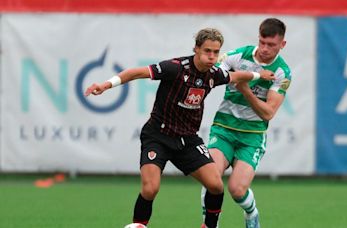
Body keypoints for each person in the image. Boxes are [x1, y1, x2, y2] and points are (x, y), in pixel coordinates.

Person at [84, 28, 275, 228]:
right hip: (158, 136)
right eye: (207, 51)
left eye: (216, 52)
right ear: (196, 49)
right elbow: (136, 72)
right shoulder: (175, 68)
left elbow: (235, 76)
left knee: (216, 185)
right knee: (150, 189)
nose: (211, 56)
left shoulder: (214, 74)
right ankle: (139, 225)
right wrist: (106, 85)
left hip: (187, 139)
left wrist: (258, 74)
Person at [200, 18, 292, 228]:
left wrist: (245, 89)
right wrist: (246, 76)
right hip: (224, 129)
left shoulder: (282, 73)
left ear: (282, 45)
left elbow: (268, 113)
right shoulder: (238, 55)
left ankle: (251, 213)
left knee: (237, 190)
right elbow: (214, 74)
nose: (265, 49)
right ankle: (209, 223)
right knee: (210, 176)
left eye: (271, 45)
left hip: (251, 136)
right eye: (262, 42)